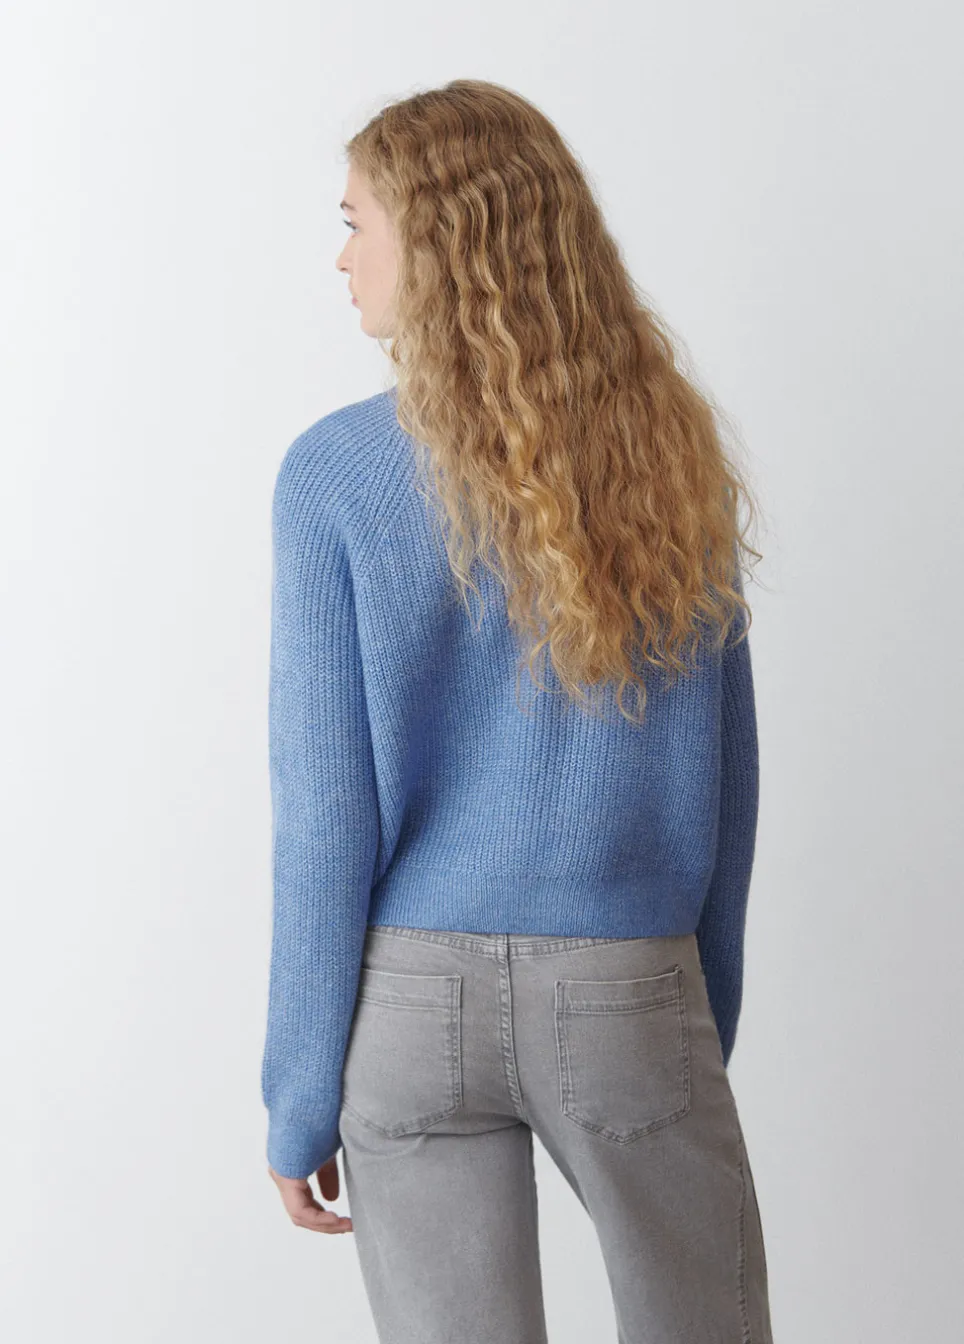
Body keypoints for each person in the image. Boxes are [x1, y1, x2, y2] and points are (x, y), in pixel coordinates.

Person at [261, 78, 773, 1343]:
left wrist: (298, 1094)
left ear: (436, 243)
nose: (340, 259)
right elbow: (728, 778)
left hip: (407, 1006)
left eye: (355, 225)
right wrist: (690, 1016)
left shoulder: (332, 473)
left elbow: (324, 817)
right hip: (624, 984)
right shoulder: (664, 458)